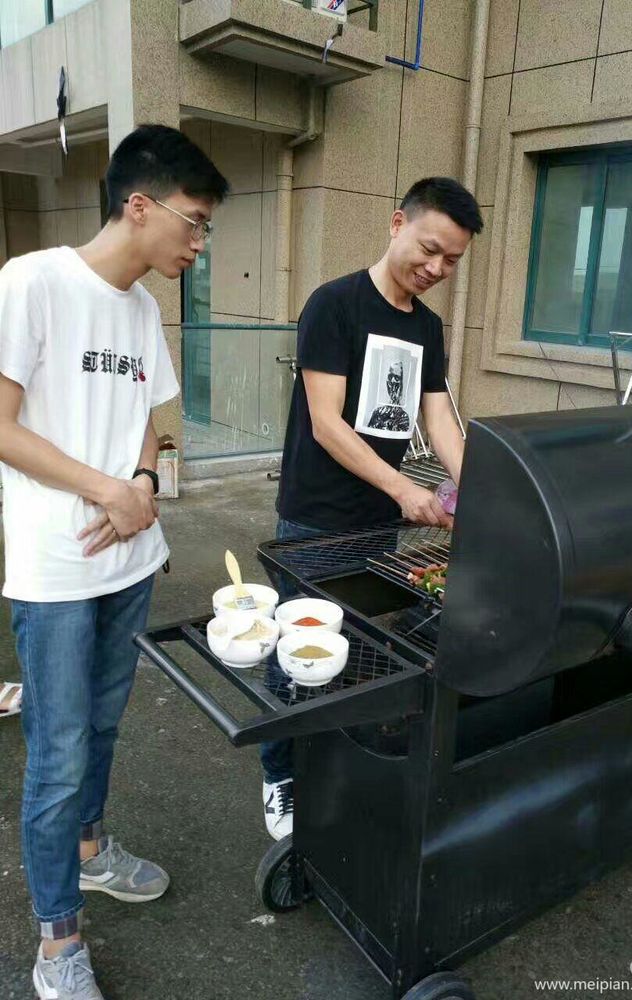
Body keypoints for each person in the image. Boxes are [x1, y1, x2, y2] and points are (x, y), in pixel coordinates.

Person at [0, 124, 228, 1000]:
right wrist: (107, 489)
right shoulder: (33, 281)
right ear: (140, 205)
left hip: (128, 563)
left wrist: (142, 481)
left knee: (100, 728)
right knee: (57, 753)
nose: (199, 244)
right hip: (57, 571)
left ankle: (91, 850)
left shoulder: (139, 310)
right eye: (195, 222)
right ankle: (57, 941)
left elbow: (146, 419)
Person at [261, 177, 483, 840]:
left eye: (451, 261)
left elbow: (439, 421)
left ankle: (334, 768)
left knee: (355, 644)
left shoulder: (427, 327)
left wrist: (480, 492)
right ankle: (280, 775)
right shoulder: (334, 304)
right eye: (430, 249)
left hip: (378, 521)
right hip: (316, 516)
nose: (437, 268)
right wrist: (405, 490)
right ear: (396, 224)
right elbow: (326, 423)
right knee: (299, 646)